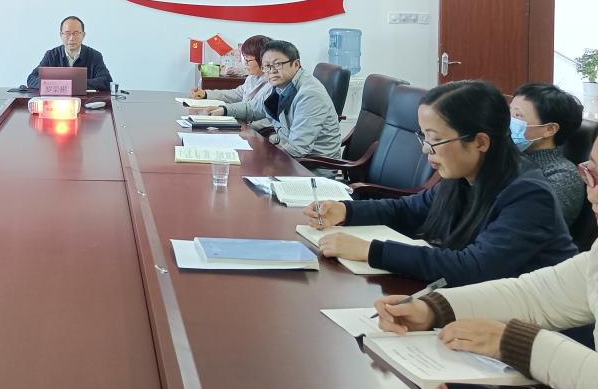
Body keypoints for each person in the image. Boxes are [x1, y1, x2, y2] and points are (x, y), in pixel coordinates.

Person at [372, 133, 598, 389]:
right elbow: (536, 295)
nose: (593, 193)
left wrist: (513, 343)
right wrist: (432, 309)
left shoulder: (528, 189)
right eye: (591, 172)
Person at [302, 80, 577, 287]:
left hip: (532, 329)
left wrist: (371, 251)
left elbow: (475, 267)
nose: (426, 149)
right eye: (424, 137)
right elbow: (408, 210)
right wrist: (346, 210)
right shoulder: (463, 176)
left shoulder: (529, 194)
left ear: (480, 141)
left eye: (435, 139)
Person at [197, 40, 341, 162]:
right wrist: (224, 110)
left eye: (277, 64)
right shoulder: (281, 85)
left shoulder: (309, 94)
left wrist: (264, 160)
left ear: (296, 64)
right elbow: (253, 108)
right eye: (266, 66)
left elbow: (298, 149)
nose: (271, 71)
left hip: (311, 168)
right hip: (286, 156)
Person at [510, 83, 586, 227]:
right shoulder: (510, 156)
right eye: (509, 113)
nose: (509, 121)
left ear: (550, 129)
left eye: (517, 115)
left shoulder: (563, 176)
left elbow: (524, 226)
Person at [26, 16, 113, 91]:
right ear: (61, 35)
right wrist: (59, 85)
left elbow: (106, 81)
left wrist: (73, 84)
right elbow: (31, 79)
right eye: (67, 33)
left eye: (76, 33)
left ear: (83, 35)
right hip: (56, 101)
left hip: (85, 101)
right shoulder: (51, 55)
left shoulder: (95, 56)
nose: (71, 38)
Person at [188, 34, 271, 104]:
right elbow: (236, 94)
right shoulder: (252, 77)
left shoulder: (271, 84)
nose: (245, 64)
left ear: (262, 59)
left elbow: (252, 110)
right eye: (244, 59)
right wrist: (205, 94)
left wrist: (225, 110)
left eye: (248, 60)